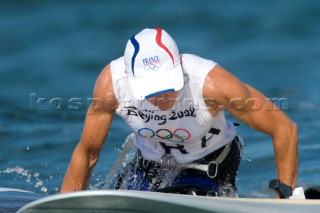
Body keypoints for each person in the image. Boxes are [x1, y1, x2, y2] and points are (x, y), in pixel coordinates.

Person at [60, 28, 298, 197]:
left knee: (181, 200)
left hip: (210, 162)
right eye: (151, 90)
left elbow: (284, 128)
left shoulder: (212, 85)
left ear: (179, 67)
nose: (161, 97)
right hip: (150, 163)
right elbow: (88, 152)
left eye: (167, 85)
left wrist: (284, 201)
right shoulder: (111, 86)